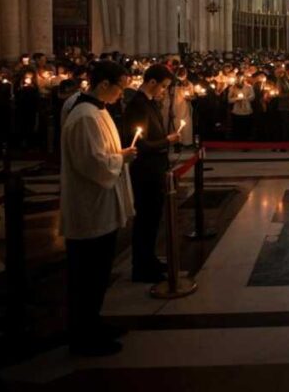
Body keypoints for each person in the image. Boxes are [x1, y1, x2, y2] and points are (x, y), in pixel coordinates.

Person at [60, 60, 137, 356]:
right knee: (86, 275)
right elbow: (92, 163)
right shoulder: (84, 116)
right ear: (104, 84)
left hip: (101, 204)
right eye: (121, 87)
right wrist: (122, 158)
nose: (122, 93)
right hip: (89, 206)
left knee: (98, 273)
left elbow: (101, 155)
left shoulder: (96, 110)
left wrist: (117, 156)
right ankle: (83, 337)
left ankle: (93, 323)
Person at [122, 64, 179, 283]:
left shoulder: (148, 103)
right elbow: (139, 144)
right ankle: (142, 267)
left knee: (153, 219)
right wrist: (167, 141)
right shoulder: (138, 105)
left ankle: (150, 259)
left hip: (154, 169)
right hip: (145, 171)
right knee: (146, 219)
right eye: (163, 86)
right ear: (152, 82)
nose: (164, 90)